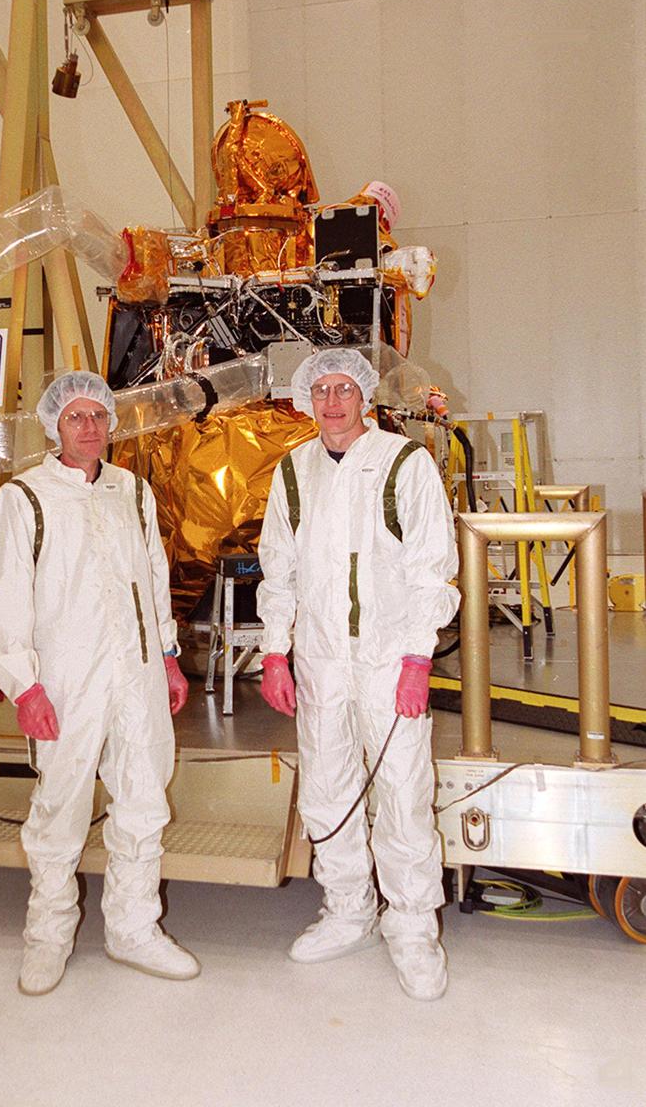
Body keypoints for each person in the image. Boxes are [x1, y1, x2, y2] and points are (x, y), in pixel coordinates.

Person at [0, 370, 199, 995]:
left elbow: (153, 581)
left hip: (135, 675)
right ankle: (47, 935)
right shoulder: (25, 500)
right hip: (66, 680)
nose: (88, 427)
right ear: (54, 425)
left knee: (143, 798)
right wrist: (24, 687)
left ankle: (134, 928)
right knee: (60, 809)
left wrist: (167, 658)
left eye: (98, 416)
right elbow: (8, 602)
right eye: (75, 416)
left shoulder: (131, 492)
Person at [256, 348, 459, 1000]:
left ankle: (413, 927)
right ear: (306, 400)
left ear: (364, 395)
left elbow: (433, 570)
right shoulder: (293, 473)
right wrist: (276, 652)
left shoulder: (405, 465)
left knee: (401, 790)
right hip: (319, 662)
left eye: (344, 388)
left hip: (388, 660)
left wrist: (416, 658)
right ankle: (349, 910)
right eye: (322, 391)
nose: (334, 401)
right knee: (328, 789)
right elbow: (278, 572)